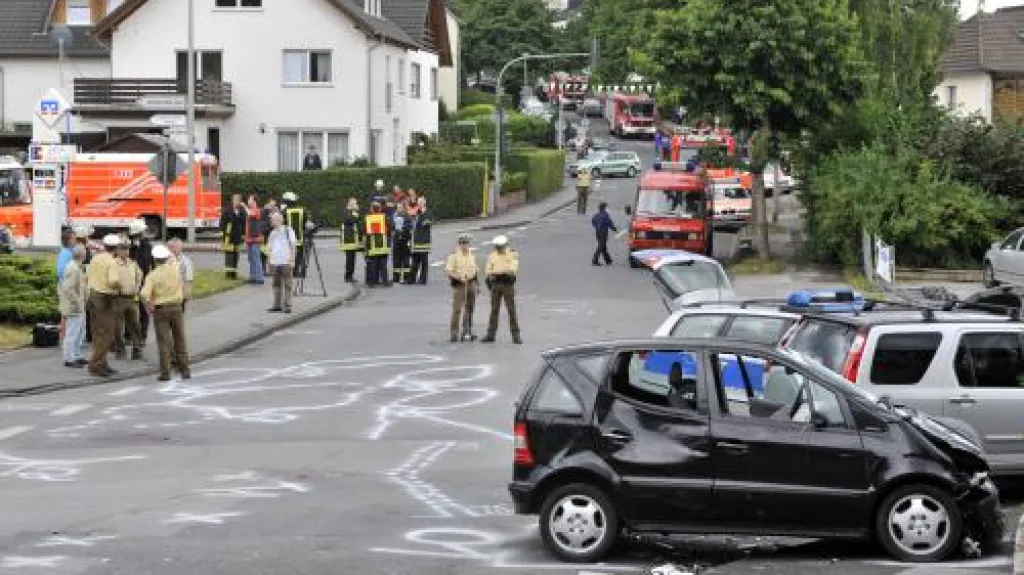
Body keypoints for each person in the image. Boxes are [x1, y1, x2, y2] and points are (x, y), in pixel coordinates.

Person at [142, 244, 189, 381]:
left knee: (164, 342)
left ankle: (165, 373)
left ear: (155, 259)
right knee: (180, 339)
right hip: (176, 307)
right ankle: (185, 369)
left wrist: (148, 304)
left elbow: (144, 294)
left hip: (161, 309)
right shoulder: (175, 270)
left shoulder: (152, 275)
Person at [86, 234, 123, 377]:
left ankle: (102, 363)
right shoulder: (112, 262)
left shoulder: (96, 258)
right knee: (107, 334)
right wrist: (120, 284)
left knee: (97, 333)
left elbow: (87, 275)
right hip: (105, 298)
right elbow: (113, 281)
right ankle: (95, 364)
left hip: (93, 295)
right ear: (116, 248)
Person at [482, 235, 521, 344]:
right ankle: (490, 334)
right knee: (494, 310)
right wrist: (494, 275)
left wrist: (498, 273)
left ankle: (516, 335)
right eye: (497, 247)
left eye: (500, 246)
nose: (499, 248)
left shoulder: (512, 254)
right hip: (496, 285)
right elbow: (488, 270)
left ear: (505, 245)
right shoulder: (492, 255)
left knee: (511, 310)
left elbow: (512, 269)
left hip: (507, 284)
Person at [112, 240, 144, 360]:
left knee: (135, 325)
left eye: (127, 249)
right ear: (117, 251)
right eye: (123, 249)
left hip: (131, 298)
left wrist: (136, 288)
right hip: (118, 298)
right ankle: (120, 350)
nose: (126, 251)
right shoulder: (114, 264)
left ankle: (137, 349)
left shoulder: (133, 264)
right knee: (117, 327)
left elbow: (139, 276)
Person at [58, 245, 88, 368]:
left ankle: (77, 355)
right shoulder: (73, 268)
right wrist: (78, 301)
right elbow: (68, 288)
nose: (86, 254)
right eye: (85, 252)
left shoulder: (76, 267)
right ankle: (69, 358)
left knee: (80, 332)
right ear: (81, 255)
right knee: (72, 332)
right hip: (74, 306)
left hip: (78, 306)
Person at [126, 219, 154, 349]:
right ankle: (129, 336)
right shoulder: (128, 247)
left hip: (144, 283)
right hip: (130, 284)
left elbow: (151, 264)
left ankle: (142, 336)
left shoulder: (147, 246)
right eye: (142, 231)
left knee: (143, 311)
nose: (144, 233)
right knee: (129, 311)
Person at [446, 233, 478, 342]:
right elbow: (449, 271)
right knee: (457, 309)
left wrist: (476, 284)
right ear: (459, 244)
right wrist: (459, 277)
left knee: (470, 308)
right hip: (459, 284)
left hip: (471, 282)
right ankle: (454, 333)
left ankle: (467, 331)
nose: (464, 245)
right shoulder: (454, 255)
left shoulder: (471, 255)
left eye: (466, 243)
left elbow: (474, 270)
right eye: (462, 243)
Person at [266, 212, 296, 313]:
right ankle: (277, 305)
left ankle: (287, 305)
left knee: (288, 284)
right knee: (276, 284)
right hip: (275, 262)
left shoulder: (288, 230)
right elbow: (269, 248)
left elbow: (293, 246)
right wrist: (269, 261)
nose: (271, 221)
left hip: (286, 261)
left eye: (273, 219)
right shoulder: (272, 233)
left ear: (279, 220)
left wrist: (292, 260)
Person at [282, 191, 313, 278]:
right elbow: (309, 223)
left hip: (288, 239)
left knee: (291, 255)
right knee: (302, 256)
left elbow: (281, 224)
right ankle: (302, 272)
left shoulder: (284, 211)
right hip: (302, 237)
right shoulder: (303, 210)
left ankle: (293, 271)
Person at [363, 200, 391, 287]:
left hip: (372, 244)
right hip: (383, 244)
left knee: (373, 264)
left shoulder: (368, 218)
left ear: (372, 209)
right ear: (379, 209)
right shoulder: (384, 216)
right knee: (383, 264)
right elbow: (390, 226)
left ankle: (372, 282)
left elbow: (364, 230)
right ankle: (385, 282)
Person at [219, 193, 246, 279]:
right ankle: (228, 275)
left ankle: (234, 274)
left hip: (238, 237)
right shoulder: (227, 210)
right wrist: (224, 233)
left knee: (236, 255)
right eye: (235, 200)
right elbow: (222, 224)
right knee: (229, 256)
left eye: (238, 200)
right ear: (233, 200)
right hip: (228, 237)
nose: (237, 202)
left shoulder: (242, 211)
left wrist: (243, 235)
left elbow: (244, 223)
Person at [408, 196, 432, 284]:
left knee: (424, 262)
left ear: (424, 203)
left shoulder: (427, 213)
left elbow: (427, 224)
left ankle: (423, 279)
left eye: (421, 202)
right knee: (415, 262)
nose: (420, 204)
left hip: (424, 242)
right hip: (416, 241)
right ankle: (411, 279)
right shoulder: (417, 213)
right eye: (419, 202)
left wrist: (423, 216)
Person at [338, 197, 362, 283]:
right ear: (350, 204)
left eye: (356, 203)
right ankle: (348, 276)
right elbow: (351, 220)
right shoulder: (346, 212)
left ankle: (350, 275)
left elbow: (357, 222)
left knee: (352, 259)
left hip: (352, 239)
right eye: (354, 203)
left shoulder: (351, 212)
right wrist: (355, 213)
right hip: (348, 239)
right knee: (350, 259)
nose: (356, 205)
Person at [168, 238, 194, 311]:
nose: (171, 249)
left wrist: (186, 295)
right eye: (169, 247)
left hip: (179, 295)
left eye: (173, 247)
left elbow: (188, 280)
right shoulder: (165, 260)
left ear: (180, 248)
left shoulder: (186, 262)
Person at [244, 194, 265, 285]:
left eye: (249, 199)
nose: (248, 200)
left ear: (254, 201)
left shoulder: (257, 211)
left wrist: (243, 206)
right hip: (249, 239)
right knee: (251, 259)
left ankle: (259, 278)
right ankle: (252, 277)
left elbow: (250, 213)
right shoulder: (251, 211)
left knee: (256, 258)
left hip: (256, 239)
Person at [591, 201, 618, 266]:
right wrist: (614, 229)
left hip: (598, 232)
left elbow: (593, 222)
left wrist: (597, 227)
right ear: (604, 208)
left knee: (603, 246)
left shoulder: (596, 215)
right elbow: (609, 223)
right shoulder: (605, 215)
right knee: (601, 246)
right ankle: (595, 260)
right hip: (603, 232)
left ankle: (608, 260)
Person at [391, 202, 412, 284]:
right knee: (396, 260)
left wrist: (402, 228)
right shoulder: (394, 216)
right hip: (396, 241)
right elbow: (391, 226)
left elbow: (410, 226)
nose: (399, 209)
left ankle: (406, 277)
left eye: (400, 207)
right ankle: (396, 277)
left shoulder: (407, 217)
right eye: (398, 207)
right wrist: (395, 227)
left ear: (404, 208)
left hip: (405, 241)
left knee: (406, 260)